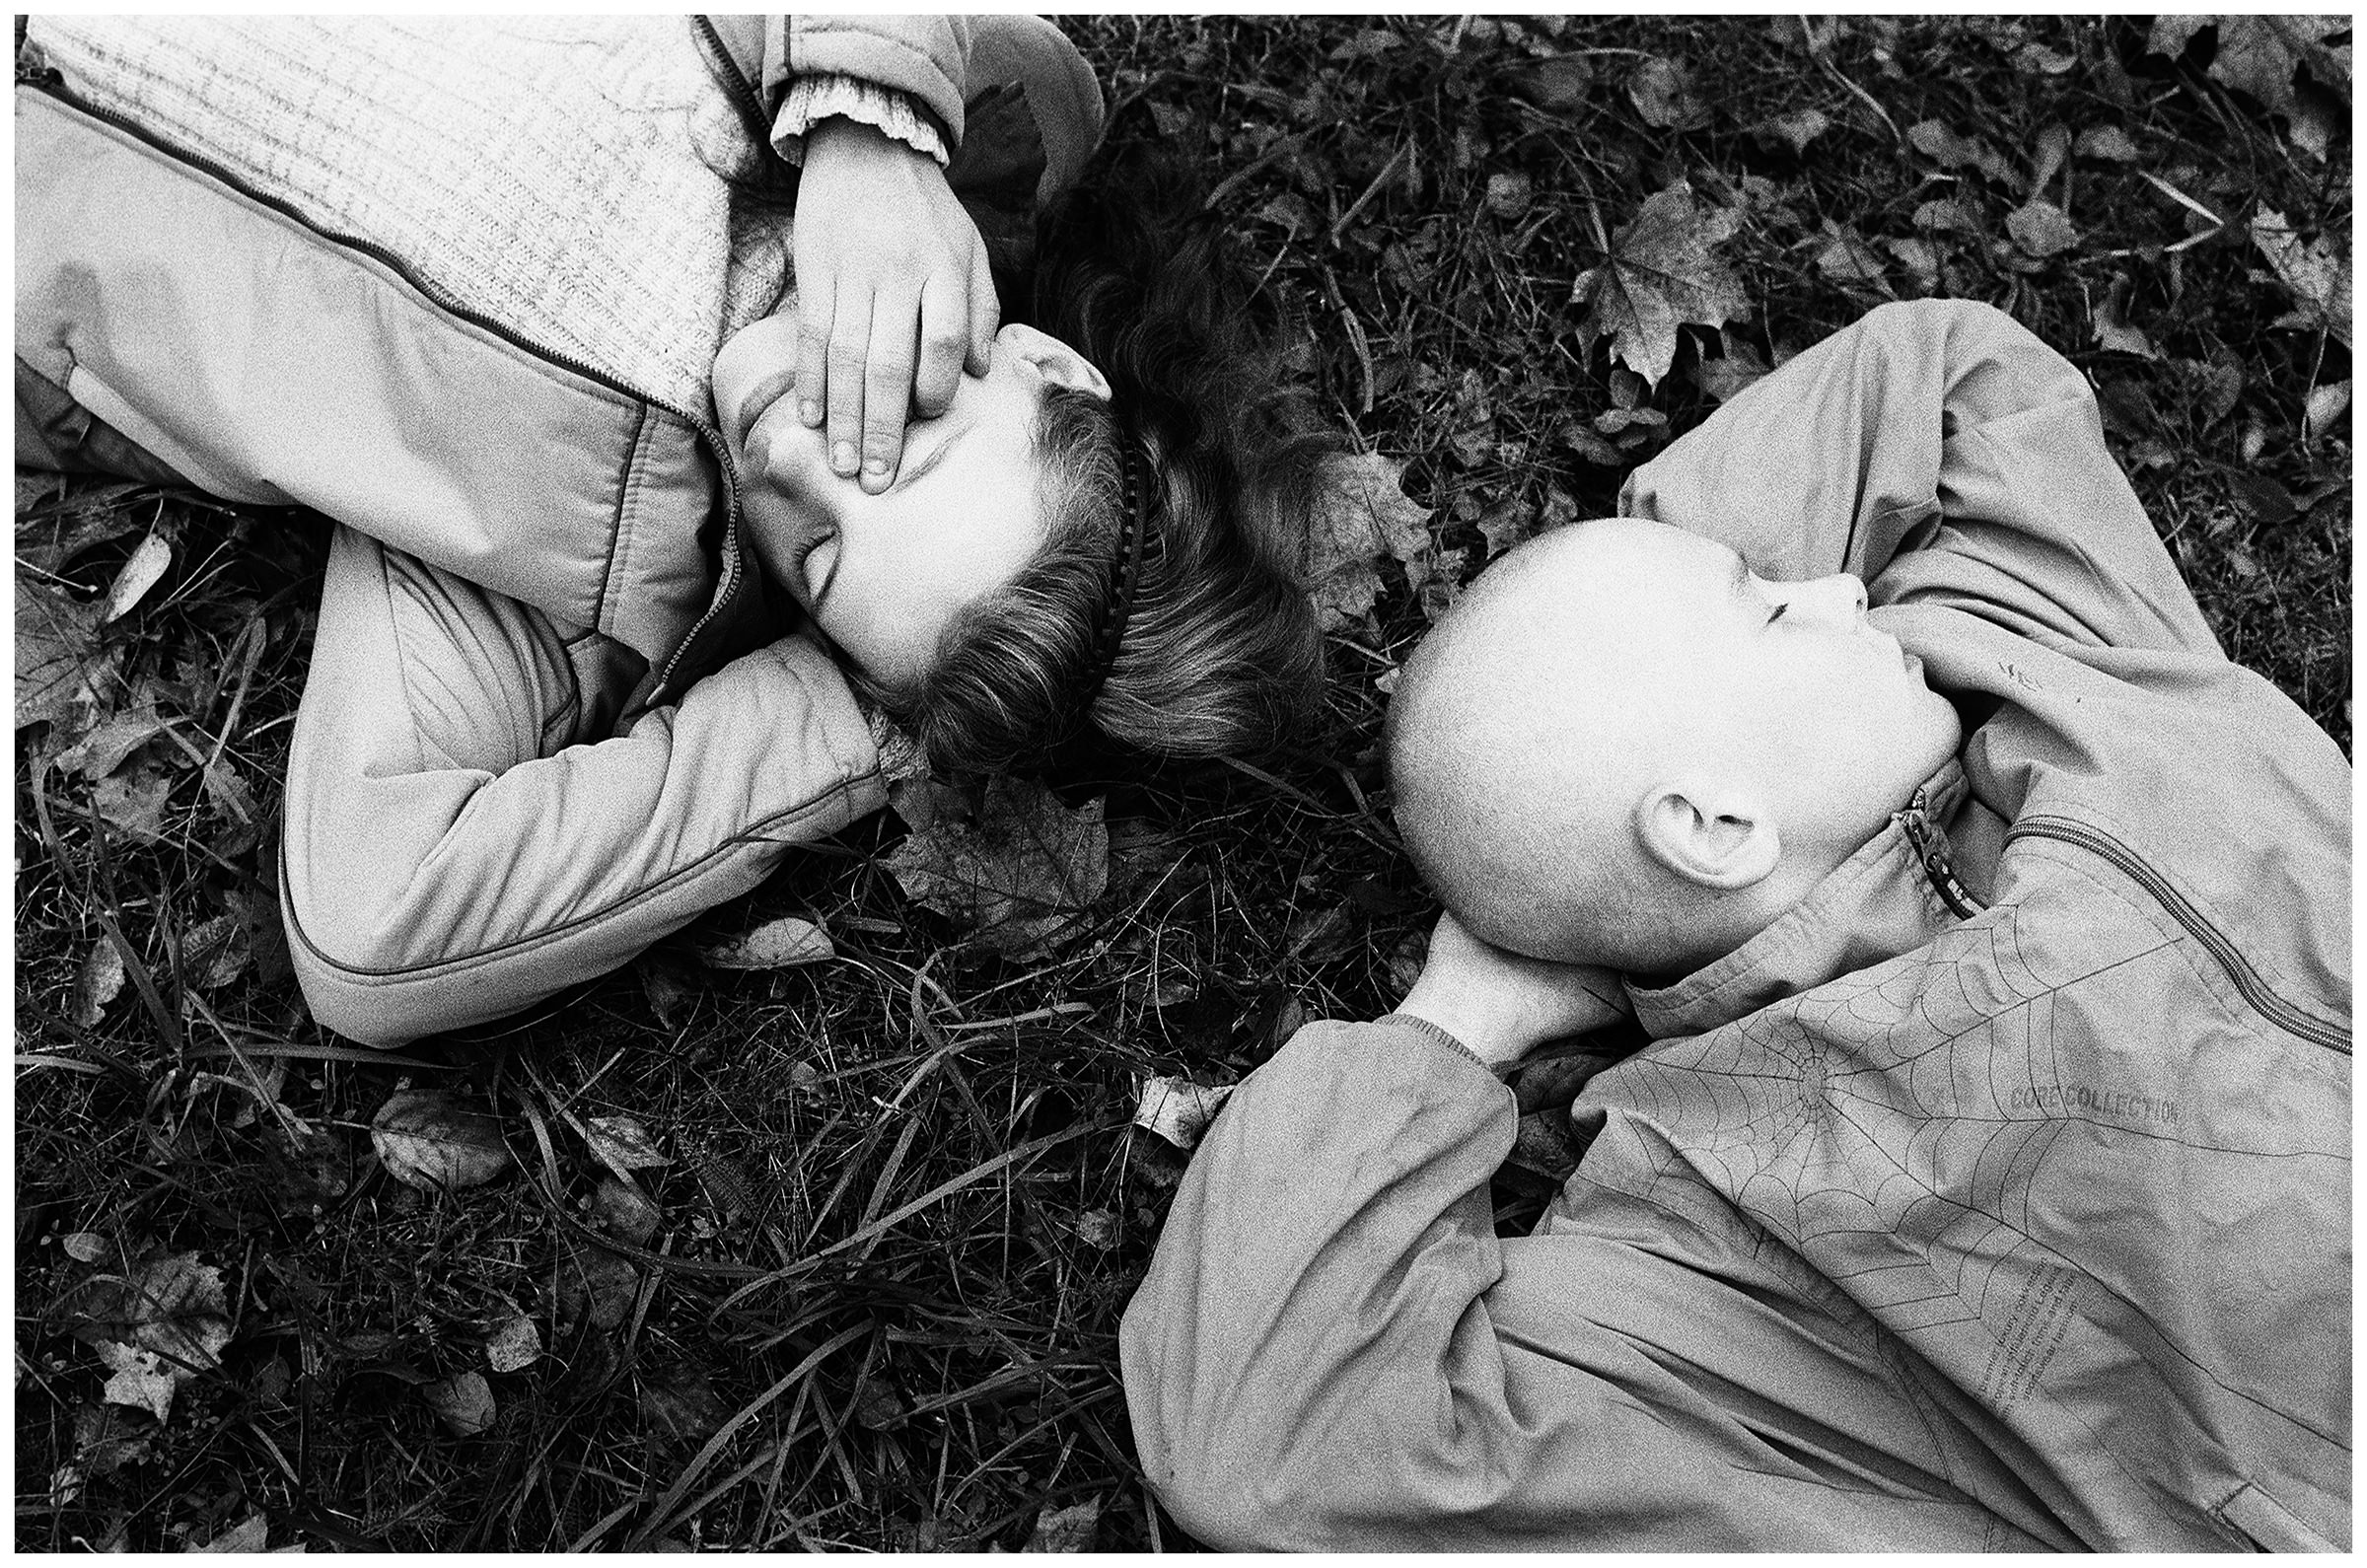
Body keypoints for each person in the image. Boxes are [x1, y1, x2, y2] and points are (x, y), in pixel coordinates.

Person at [1120, 300, 2349, 1550]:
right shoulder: (1709, 1236)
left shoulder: (2035, 657)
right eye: (1768, 605)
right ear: (1711, 827)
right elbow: (1265, 1441)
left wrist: (1643, 600)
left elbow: (1937, 375)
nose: (1837, 586)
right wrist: (1447, 1031)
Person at [17, 16, 1337, 1044]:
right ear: (1044, 363)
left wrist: (859, 723)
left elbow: (376, 922)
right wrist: (869, 128)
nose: (786, 457)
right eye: (887, 438)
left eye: (821, 559)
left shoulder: (578, 588)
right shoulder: (974, 125)